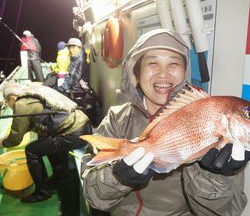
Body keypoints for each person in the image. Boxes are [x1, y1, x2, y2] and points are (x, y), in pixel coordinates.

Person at [81, 29, 249, 215]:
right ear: (136, 73)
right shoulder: (116, 118)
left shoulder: (227, 138)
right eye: (152, 63)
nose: (163, 74)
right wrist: (118, 177)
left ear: (185, 72)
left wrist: (212, 177)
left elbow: (226, 213)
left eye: (174, 64)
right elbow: (92, 195)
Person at [0, 82, 91, 216]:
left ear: (12, 98)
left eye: (7, 103)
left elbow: (15, 138)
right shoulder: (33, 90)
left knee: (31, 150)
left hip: (73, 133)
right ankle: (55, 178)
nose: (9, 106)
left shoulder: (21, 104)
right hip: (81, 123)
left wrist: (2, 143)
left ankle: (43, 192)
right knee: (43, 143)